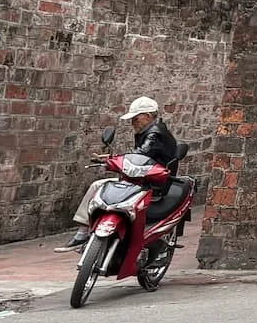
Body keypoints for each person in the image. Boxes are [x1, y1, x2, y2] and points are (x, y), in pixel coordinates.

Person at [65, 96, 180, 248]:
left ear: (147, 116)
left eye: (136, 118)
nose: (133, 123)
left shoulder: (155, 134)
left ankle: (83, 231)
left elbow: (140, 154)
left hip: (148, 182)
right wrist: (112, 158)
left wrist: (114, 160)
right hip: (142, 179)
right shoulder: (153, 130)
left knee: (97, 186)